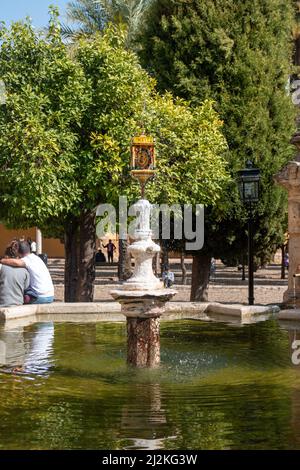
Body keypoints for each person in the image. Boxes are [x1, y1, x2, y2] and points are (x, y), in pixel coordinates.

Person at [0, 240, 54, 304]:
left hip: (40, 297)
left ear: (18, 251)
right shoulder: (36, 258)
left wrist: (2, 260)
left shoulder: (26, 260)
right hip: (50, 296)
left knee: (18, 294)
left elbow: (16, 262)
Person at [0, 241, 30, 307]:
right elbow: (26, 288)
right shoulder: (25, 270)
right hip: (18, 305)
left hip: (2, 305)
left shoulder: (1, 267)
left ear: (6, 255)